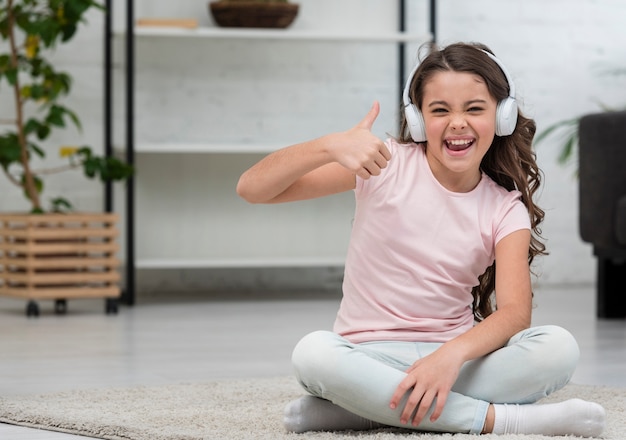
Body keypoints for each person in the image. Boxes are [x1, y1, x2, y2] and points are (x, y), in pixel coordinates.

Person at [236, 42, 606, 436]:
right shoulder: (384, 166)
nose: (458, 122)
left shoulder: (504, 208)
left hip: (452, 362)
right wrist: (328, 145)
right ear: (417, 120)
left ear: (502, 117)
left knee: (559, 347)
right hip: (365, 356)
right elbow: (252, 188)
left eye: (474, 108)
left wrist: (450, 356)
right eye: (440, 110)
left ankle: (363, 410)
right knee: (313, 353)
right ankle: (504, 421)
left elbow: (515, 314)